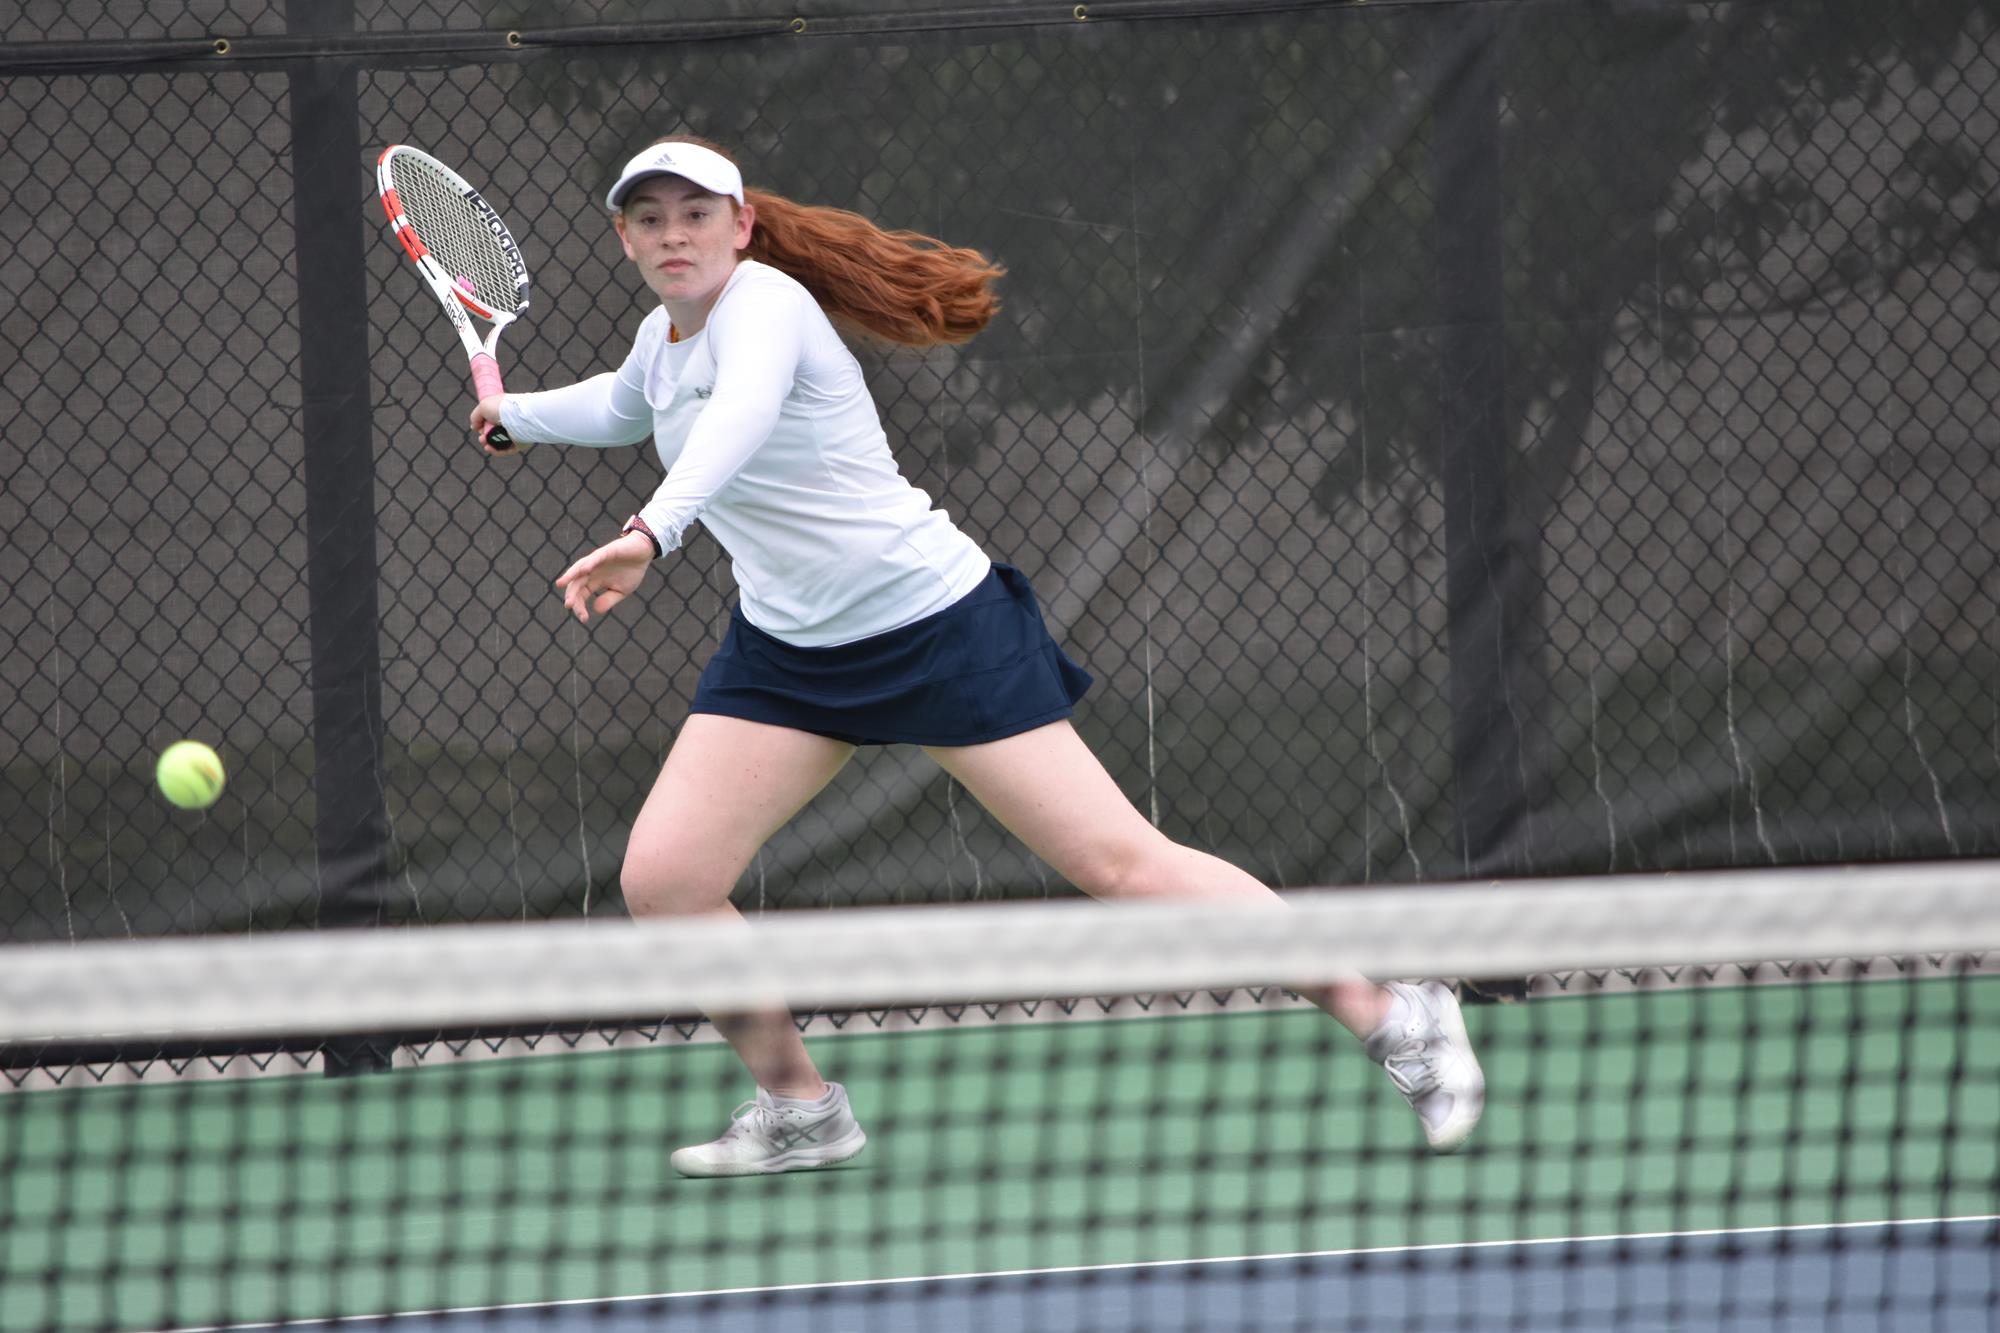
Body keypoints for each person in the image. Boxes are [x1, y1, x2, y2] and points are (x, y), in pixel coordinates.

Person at [470, 136, 1485, 1177]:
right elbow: (624, 405)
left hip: (934, 630)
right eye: (649, 218)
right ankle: (801, 1107)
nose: (672, 233)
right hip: (788, 651)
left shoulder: (766, 306)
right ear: (624, 238)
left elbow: (736, 422)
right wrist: (521, 418)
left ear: (741, 225)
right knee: (668, 879)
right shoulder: (661, 337)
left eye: (694, 212)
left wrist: (649, 533)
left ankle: (1392, 1013)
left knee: (1120, 864)